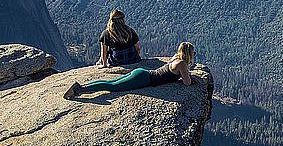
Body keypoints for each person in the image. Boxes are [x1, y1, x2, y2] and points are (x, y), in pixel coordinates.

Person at [64, 42, 198, 99]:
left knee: (110, 82)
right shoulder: (181, 63)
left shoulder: (176, 59)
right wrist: (191, 78)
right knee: (113, 87)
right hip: (144, 79)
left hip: (142, 73)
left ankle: (81, 87)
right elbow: (186, 82)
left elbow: (182, 75)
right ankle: (79, 90)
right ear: (190, 54)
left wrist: (189, 76)